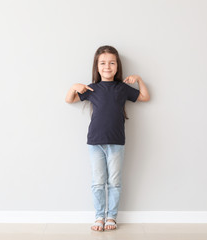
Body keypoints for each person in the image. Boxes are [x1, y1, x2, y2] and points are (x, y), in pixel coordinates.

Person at [65, 45, 150, 231]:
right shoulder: (91, 89)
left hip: (117, 142)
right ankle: (99, 217)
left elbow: (144, 96)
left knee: (115, 182)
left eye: (111, 63)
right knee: (98, 182)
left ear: (117, 66)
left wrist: (139, 80)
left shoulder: (122, 88)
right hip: (95, 142)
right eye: (102, 63)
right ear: (97, 66)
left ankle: (111, 217)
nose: (107, 66)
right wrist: (73, 87)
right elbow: (69, 100)